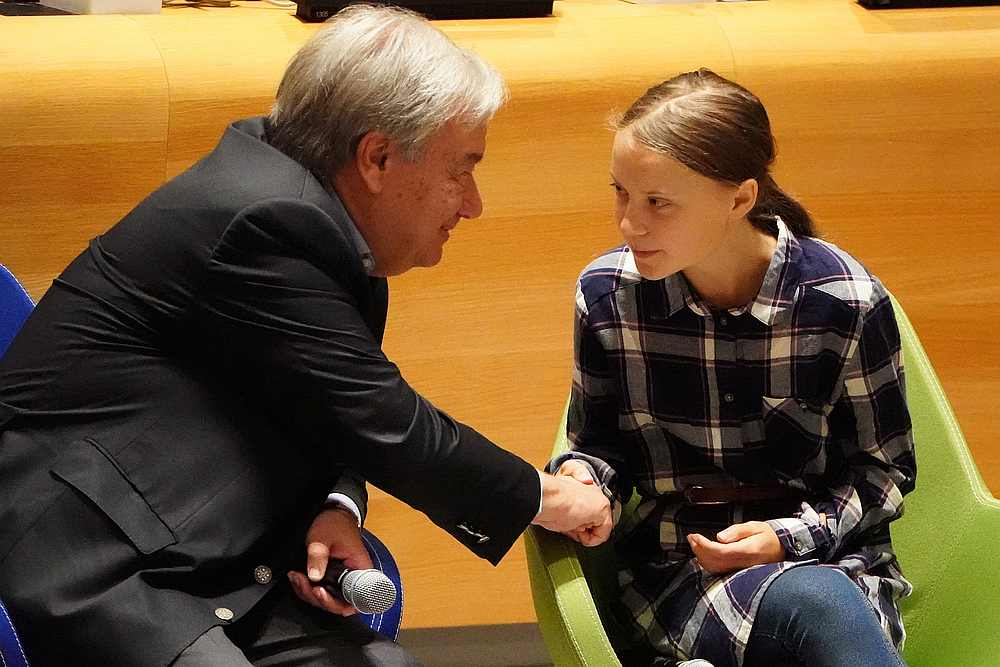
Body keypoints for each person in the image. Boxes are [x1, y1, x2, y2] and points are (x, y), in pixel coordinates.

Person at [0, 6, 609, 666]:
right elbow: (386, 423)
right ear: (376, 157)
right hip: (92, 557)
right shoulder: (265, 222)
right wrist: (551, 497)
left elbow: (327, 408)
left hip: (206, 547)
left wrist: (336, 503)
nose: (473, 203)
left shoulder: (309, 213)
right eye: (460, 169)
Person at [548, 69, 915, 667]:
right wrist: (585, 483)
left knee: (817, 601)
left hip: (832, 564)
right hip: (680, 572)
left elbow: (884, 472)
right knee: (812, 610)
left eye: (658, 202)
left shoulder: (844, 300)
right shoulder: (607, 294)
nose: (629, 223)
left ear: (740, 199)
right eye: (621, 193)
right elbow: (598, 446)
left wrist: (788, 538)